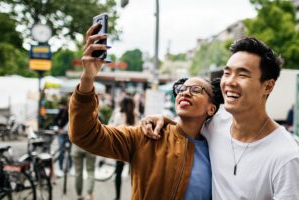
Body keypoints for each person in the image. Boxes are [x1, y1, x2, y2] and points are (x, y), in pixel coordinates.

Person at [68, 23, 223, 200]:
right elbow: (84, 134)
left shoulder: (219, 147)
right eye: (181, 89)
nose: (185, 92)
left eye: (196, 90)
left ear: (212, 108)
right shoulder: (147, 137)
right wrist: (88, 78)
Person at [142, 37, 299, 199]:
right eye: (227, 73)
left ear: (268, 86)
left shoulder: (287, 156)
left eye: (242, 75)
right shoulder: (214, 126)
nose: (229, 82)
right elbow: (186, 126)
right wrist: (163, 120)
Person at [108, 96, 140, 200]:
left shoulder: (119, 115)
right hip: (134, 147)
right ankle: (135, 196)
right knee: (135, 174)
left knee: (118, 173)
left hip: (121, 147)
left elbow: (112, 129)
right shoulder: (135, 115)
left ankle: (117, 197)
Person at [54, 96, 73, 177]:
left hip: (71, 135)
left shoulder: (76, 112)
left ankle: (71, 168)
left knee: (71, 152)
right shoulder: (63, 111)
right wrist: (58, 128)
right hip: (62, 134)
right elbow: (55, 121)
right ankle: (60, 168)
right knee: (61, 151)